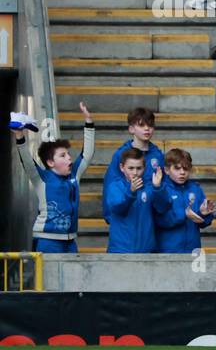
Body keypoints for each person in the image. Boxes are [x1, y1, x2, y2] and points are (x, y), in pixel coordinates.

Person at [12, 100, 94, 253]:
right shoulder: (41, 178)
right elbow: (28, 161)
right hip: (46, 240)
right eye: (63, 155)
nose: (69, 158)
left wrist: (89, 122)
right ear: (50, 162)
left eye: (68, 154)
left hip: (70, 241)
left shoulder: (74, 175)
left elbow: (87, 155)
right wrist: (19, 136)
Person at [102, 106, 164, 219]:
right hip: (127, 214)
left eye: (150, 125)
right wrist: (111, 217)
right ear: (131, 129)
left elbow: (163, 185)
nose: (147, 129)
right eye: (141, 125)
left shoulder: (158, 155)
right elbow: (110, 183)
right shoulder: (120, 154)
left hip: (149, 218)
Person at [153, 148, 216, 255]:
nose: (182, 172)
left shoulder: (195, 189)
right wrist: (184, 214)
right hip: (168, 250)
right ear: (167, 170)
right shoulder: (161, 190)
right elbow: (160, 220)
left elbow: (204, 222)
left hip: (193, 249)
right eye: (177, 169)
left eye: (186, 169)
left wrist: (203, 214)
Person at [104, 147, 167, 253]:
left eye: (139, 168)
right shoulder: (115, 186)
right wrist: (131, 192)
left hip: (146, 249)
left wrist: (158, 188)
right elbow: (118, 209)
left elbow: (162, 209)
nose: (135, 172)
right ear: (122, 167)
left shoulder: (149, 188)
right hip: (120, 249)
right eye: (131, 168)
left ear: (145, 168)